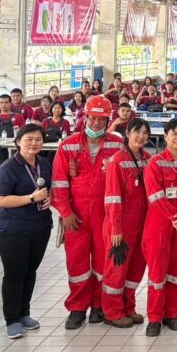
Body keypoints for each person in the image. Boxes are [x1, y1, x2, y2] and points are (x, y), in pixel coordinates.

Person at [51, 95, 125, 329]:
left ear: (107, 120)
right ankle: (77, 307)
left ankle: (99, 305)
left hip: (105, 214)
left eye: (101, 119)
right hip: (77, 215)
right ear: (85, 117)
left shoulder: (117, 144)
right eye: (92, 118)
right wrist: (65, 212)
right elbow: (59, 183)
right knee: (77, 263)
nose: (95, 123)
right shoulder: (68, 144)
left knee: (104, 263)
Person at [0, 123, 53, 339]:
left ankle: (24, 313)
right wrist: (30, 198)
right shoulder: (8, 167)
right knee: (14, 274)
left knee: (30, 272)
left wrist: (48, 199)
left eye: (38, 139)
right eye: (29, 139)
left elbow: (49, 189)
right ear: (18, 142)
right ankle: (11, 320)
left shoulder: (44, 163)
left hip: (40, 227)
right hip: (13, 230)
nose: (34, 143)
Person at [142, 119, 177, 336]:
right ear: (165, 136)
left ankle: (172, 313)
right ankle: (154, 317)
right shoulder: (155, 163)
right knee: (158, 271)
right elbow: (155, 195)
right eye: (174, 134)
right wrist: (175, 217)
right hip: (159, 224)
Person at [100, 118, 151, 328]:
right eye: (137, 132)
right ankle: (112, 312)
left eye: (145, 133)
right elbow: (113, 198)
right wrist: (116, 229)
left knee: (136, 268)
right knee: (117, 269)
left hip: (142, 224)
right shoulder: (116, 161)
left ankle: (129, 307)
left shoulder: (148, 159)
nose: (141, 137)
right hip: (120, 226)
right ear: (128, 133)